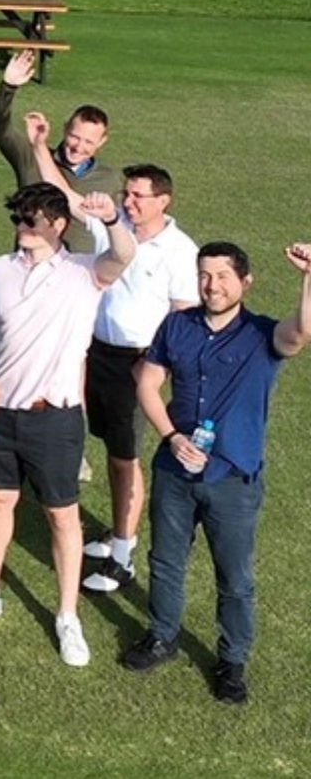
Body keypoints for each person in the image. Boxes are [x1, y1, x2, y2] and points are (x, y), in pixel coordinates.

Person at [0, 184, 134, 668]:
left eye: (33, 220)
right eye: (19, 219)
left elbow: (123, 252)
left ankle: (67, 614)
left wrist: (112, 218)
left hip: (55, 417)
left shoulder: (85, 271)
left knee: (61, 515)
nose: (23, 228)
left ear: (59, 225)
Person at [118, 242, 310, 706]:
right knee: (165, 561)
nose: (212, 285)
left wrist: (309, 276)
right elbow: (146, 381)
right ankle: (162, 636)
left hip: (233, 478)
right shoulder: (177, 325)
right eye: (205, 275)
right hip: (175, 471)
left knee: (235, 577)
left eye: (223, 276)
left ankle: (232, 661)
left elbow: (302, 331)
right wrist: (171, 436)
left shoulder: (262, 335)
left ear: (245, 282)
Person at [67, 162, 199, 594]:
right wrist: (34, 147)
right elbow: (67, 198)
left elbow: (184, 318)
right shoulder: (116, 227)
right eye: (127, 193)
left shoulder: (180, 250)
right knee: (112, 449)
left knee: (127, 457)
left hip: (140, 364)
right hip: (99, 355)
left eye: (139, 195)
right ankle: (119, 533)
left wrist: (155, 370)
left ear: (164, 200)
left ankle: (123, 557)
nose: (129, 201)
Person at [0, 48, 119, 211]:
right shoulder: (31, 157)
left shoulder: (108, 180)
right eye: (75, 137)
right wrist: (8, 88)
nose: (79, 147)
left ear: (102, 141)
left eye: (88, 142)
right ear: (65, 129)